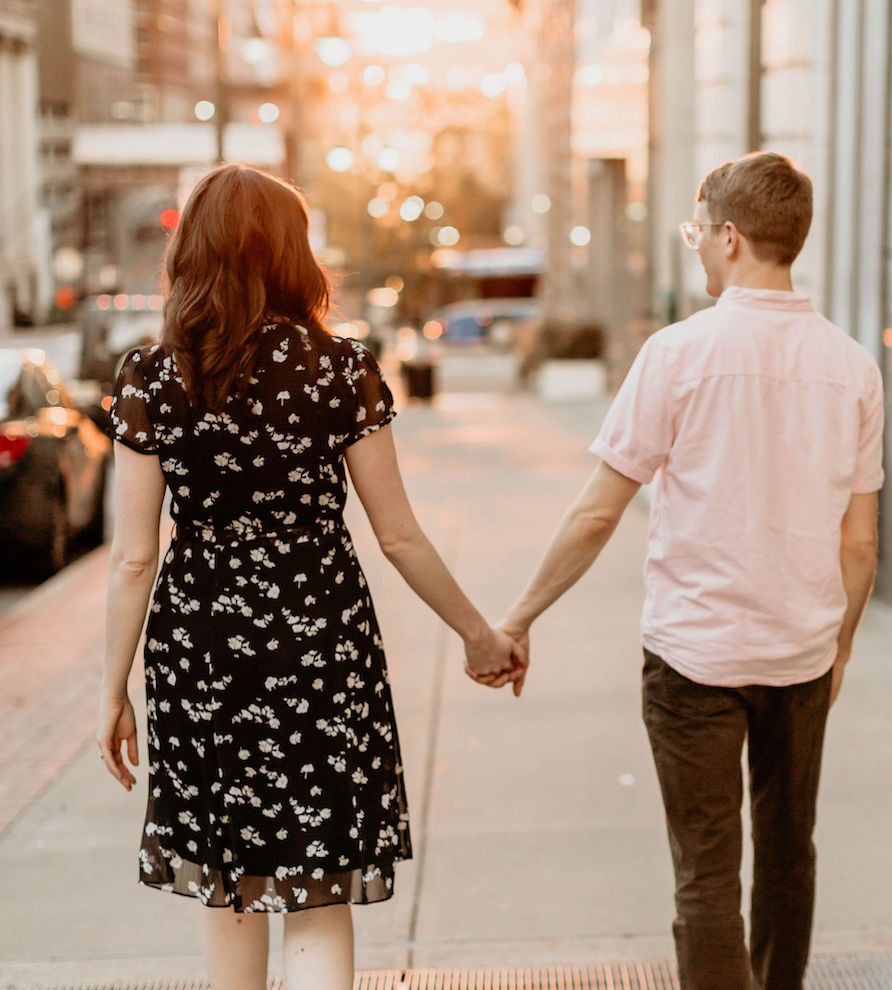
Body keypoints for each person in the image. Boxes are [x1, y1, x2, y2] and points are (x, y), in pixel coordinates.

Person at [95, 163, 525, 990]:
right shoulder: (339, 369)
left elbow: (134, 557)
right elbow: (398, 535)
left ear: (192, 251)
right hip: (322, 643)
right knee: (318, 890)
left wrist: (114, 690)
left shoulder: (152, 377)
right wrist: (481, 635)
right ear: (292, 254)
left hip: (200, 649)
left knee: (229, 888)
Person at [493, 152, 883, 990]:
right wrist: (839, 647)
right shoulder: (853, 367)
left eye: (697, 231)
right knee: (788, 855)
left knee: (706, 874)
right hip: (801, 654)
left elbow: (598, 511)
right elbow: (860, 545)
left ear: (730, 237)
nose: (696, 247)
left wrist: (518, 617)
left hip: (694, 658)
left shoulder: (677, 355)